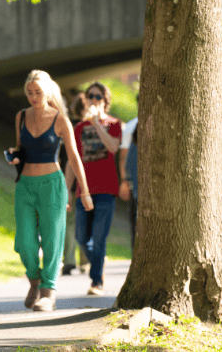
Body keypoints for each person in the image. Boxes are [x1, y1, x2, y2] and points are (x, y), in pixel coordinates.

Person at [9, 70, 92, 310]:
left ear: (48, 92)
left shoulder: (60, 119)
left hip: (52, 185)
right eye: (29, 93)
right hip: (25, 185)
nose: (33, 96)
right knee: (25, 241)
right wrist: (14, 156)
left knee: (53, 239)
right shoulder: (21, 116)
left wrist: (84, 191)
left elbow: (74, 157)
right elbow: (19, 148)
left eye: (38, 92)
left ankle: (48, 292)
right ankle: (34, 281)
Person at [66, 82, 120, 296]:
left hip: (106, 190)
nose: (94, 100)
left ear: (105, 102)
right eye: (90, 96)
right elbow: (72, 161)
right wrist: (67, 191)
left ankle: (96, 281)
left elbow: (113, 147)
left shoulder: (114, 124)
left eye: (98, 97)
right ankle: (99, 258)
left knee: (98, 238)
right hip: (83, 191)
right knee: (81, 237)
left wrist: (97, 123)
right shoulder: (78, 128)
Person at [63, 93, 90, 275]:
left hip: (70, 178)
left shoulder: (69, 127)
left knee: (70, 221)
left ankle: (69, 260)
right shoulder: (87, 128)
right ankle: (85, 261)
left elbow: (65, 157)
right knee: (85, 219)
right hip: (87, 180)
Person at [119, 95, 138, 250]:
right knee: (135, 219)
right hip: (135, 182)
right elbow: (124, 156)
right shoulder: (131, 126)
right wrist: (125, 181)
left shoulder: (131, 126)